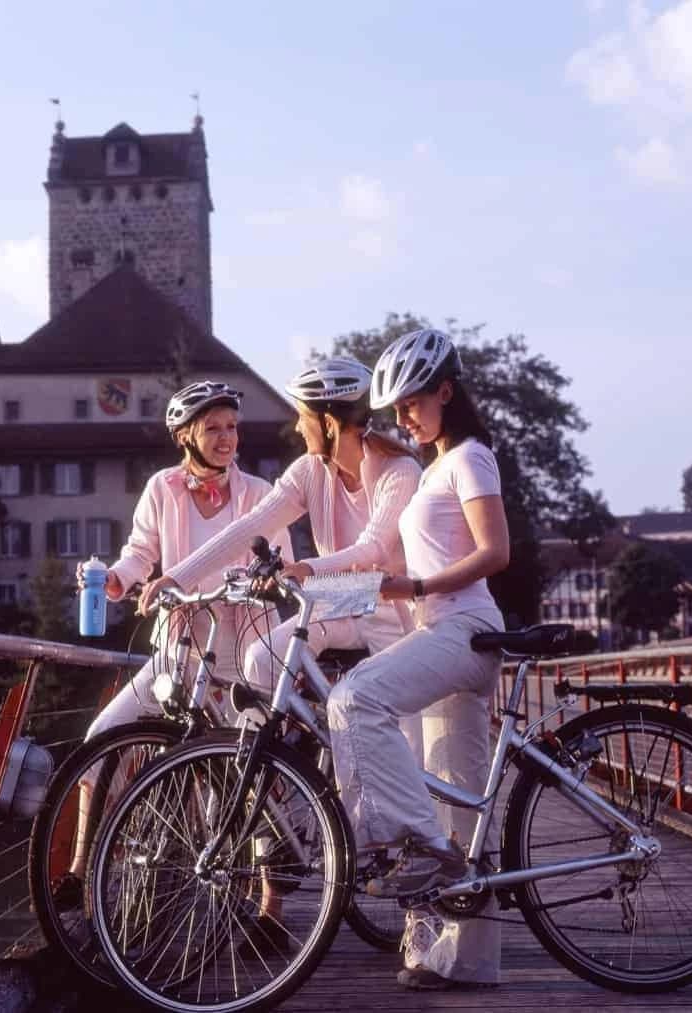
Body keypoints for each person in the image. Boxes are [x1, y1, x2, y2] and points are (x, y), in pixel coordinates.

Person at [138, 356, 423, 953]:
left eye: (302, 418)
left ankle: (378, 801)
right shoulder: (308, 471)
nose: (297, 429)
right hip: (337, 595)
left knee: (400, 735)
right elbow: (246, 529)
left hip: (391, 600)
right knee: (261, 661)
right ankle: (297, 763)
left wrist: (303, 569)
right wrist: (177, 580)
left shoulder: (398, 470)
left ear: (327, 418)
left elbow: (375, 548)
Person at [52, 380, 291, 907]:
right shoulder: (162, 487)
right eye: (213, 429)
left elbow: (278, 559)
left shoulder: (260, 493)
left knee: (252, 768)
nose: (227, 438)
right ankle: (82, 865)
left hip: (241, 645)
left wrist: (256, 582)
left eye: (231, 427)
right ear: (186, 435)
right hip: (178, 645)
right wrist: (115, 580)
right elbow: (141, 552)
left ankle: (270, 902)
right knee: (103, 736)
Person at [326, 328, 510, 992]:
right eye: (394, 408)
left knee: (353, 699)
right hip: (440, 627)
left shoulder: (469, 458)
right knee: (460, 799)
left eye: (411, 402)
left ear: (445, 392)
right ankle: (470, 961)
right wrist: (317, 586)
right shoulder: (430, 466)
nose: (402, 416)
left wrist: (426, 588)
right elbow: (398, 570)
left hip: (465, 627)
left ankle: (417, 849)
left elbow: (495, 552)